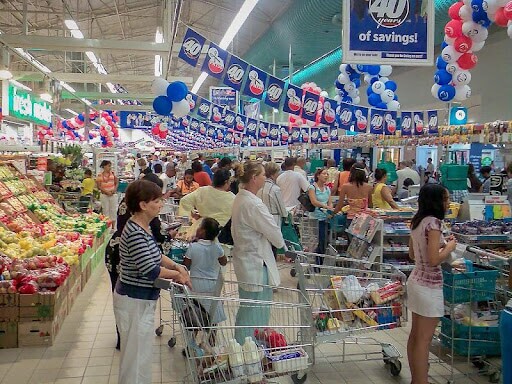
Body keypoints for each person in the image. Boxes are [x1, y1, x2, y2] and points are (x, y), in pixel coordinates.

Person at [113, 180, 190, 384]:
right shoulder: (135, 232)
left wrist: (176, 266)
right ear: (143, 205)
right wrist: (177, 275)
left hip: (141, 300)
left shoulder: (142, 227)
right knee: (135, 359)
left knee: (140, 356)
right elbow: (150, 270)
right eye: (156, 201)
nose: (160, 204)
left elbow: (156, 255)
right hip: (133, 300)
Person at [407, 184, 457, 384]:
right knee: (424, 339)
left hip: (416, 281)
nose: (448, 203)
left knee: (416, 336)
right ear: (436, 201)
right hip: (429, 285)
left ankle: (416, 380)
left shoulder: (417, 221)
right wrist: (451, 246)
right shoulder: (434, 224)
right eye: (445, 199)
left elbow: (412, 254)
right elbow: (434, 260)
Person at [231, 161, 285, 343]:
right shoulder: (254, 205)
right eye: (263, 175)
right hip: (256, 265)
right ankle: (248, 351)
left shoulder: (240, 198)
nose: (265, 178)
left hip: (245, 261)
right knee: (256, 313)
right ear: (254, 178)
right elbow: (275, 236)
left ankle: (242, 349)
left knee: (247, 309)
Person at [183, 218, 227, 325]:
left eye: (199, 227)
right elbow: (224, 262)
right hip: (213, 285)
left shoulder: (193, 247)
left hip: (195, 286)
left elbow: (185, 266)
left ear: (202, 231)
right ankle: (211, 339)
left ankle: (193, 335)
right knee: (213, 311)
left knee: (194, 309)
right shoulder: (217, 247)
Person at [178, 169, 235, 238]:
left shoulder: (203, 190)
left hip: (201, 228)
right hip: (221, 232)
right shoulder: (232, 198)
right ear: (226, 182)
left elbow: (184, 201)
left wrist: (192, 213)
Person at [308, 169, 333, 256]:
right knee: (318, 240)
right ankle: (317, 261)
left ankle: (321, 261)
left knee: (325, 240)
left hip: (325, 218)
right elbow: (314, 202)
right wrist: (325, 206)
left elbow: (330, 202)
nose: (326, 176)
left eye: (327, 174)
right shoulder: (312, 188)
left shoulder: (327, 189)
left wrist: (330, 209)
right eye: (324, 174)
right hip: (315, 218)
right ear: (318, 175)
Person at [257, 162, 288, 227]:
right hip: (274, 220)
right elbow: (282, 209)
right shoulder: (275, 189)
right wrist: (287, 215)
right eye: (277, 173)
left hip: (261, 219)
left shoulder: (258, 187)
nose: (278, 174)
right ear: (272, 174)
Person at [96, 160, 118, 229]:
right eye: (108, 166)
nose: (110, 167)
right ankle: (106, 227)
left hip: (113, 194)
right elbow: (99, 186)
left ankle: (113, 227)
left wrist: (114, 189)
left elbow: (117, 182)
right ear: (104, 166)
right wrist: (106, 191)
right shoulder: (100, 175)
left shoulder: (113, 174)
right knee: (105, 210)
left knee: (113, 210)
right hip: (104, 195)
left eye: (110, 166)